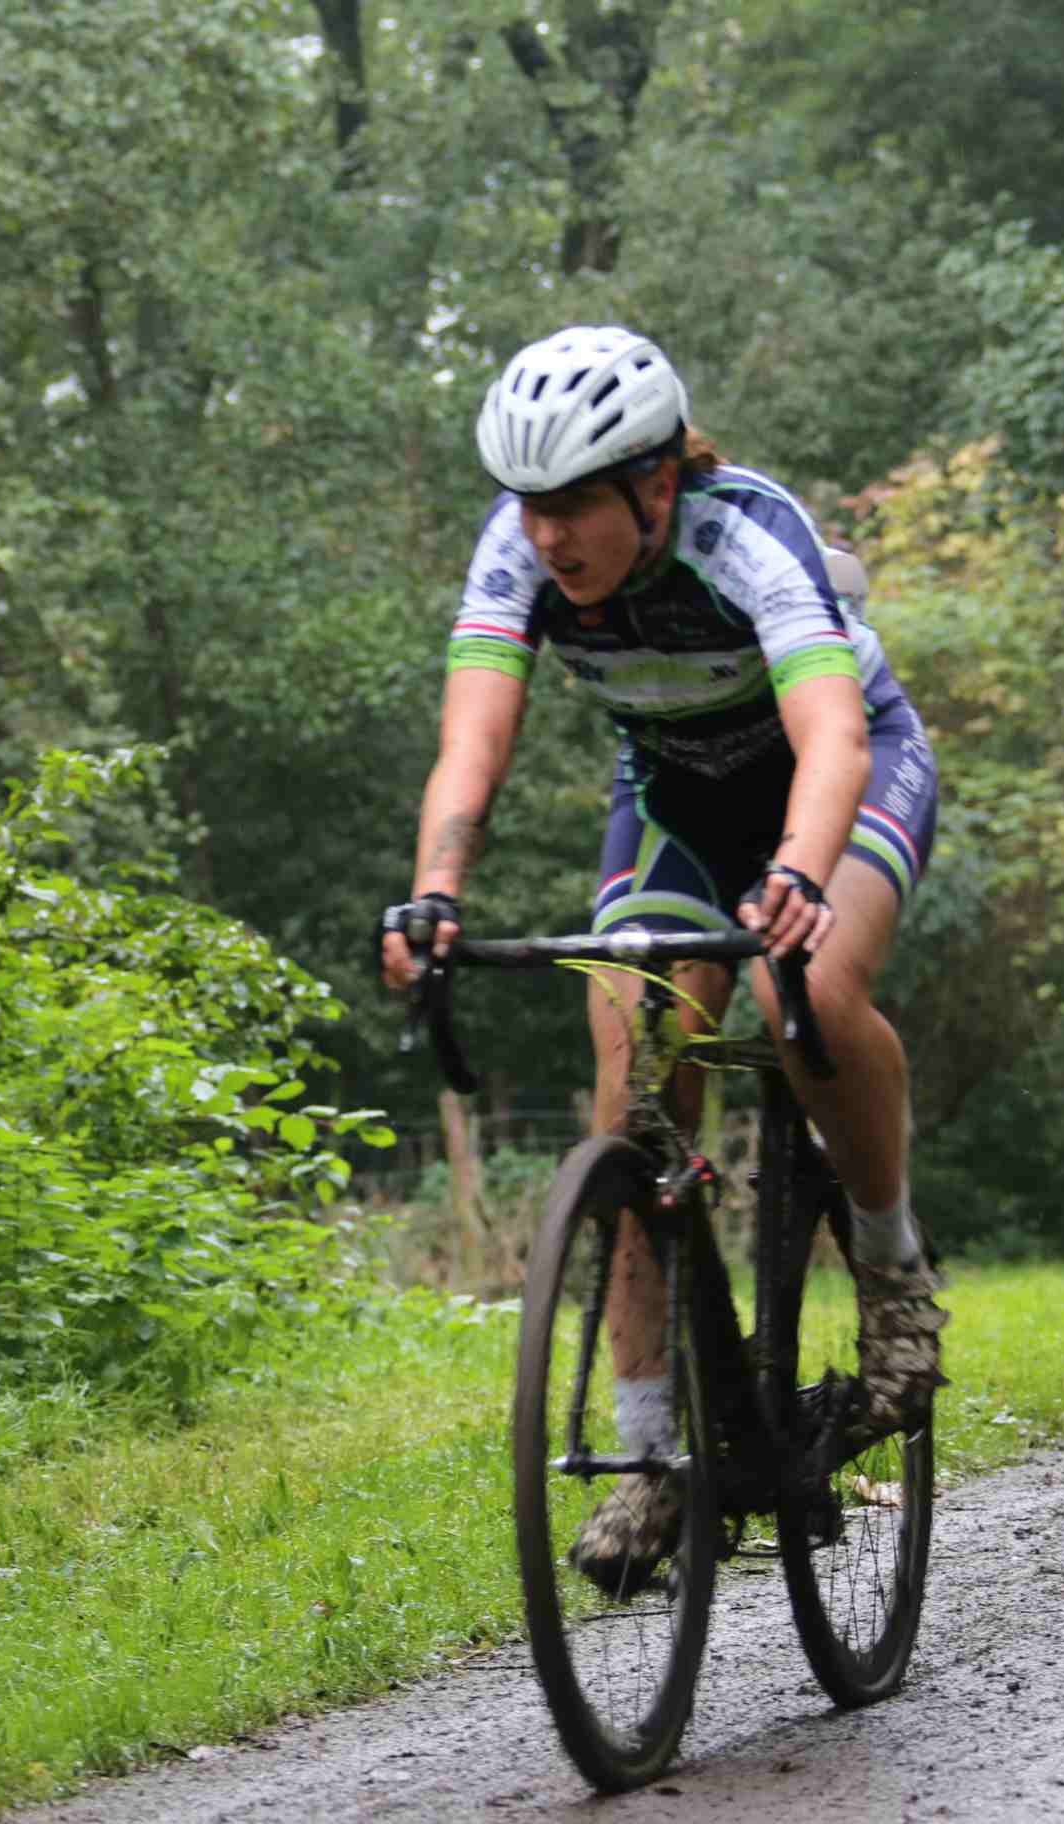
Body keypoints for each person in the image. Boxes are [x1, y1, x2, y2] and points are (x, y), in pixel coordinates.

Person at [377, 326, 946, 1588]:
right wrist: (435, 893)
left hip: (838, 776)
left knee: (807, 986)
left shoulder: (747, 532)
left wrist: (799, 874)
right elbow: (473, 741)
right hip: (679, 797)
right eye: (529, 506)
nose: (547, 536)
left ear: (655, 484)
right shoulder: (515, 549)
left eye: (573, 505)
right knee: (634, 1084)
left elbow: (834, 735)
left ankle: (894, 1268)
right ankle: (652, 1457)